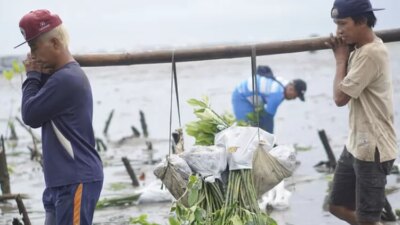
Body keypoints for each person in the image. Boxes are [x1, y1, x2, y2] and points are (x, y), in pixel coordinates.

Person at [16, 9, 104, 225]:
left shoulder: (66, 79)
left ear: (55, 44)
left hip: (76, 178)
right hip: (60, 181)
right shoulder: (60, 77)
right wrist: (41, 75)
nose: (31, 56)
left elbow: (30, 114)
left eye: (34, 48)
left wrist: (32, 76)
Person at [325, 0, 397, 224]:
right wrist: (346, 53)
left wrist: (339, 59)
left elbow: (339, 98)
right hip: (356, 144)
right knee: (336, 206)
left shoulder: (371, 53)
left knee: (368, 219)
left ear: (363, 21)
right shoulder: (360, 49)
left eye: (343, 24)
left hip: (374, 148)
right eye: (336, 24)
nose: (338, 31)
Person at [231, 65, 306, 133]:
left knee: (257, 124)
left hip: (254, 97)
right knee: (245, 128)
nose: (294, 98)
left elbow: (265, 118)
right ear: (291, 89)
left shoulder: (284, 84)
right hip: (241, 96)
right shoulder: (278, 93)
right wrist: (271, 138)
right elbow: (268, 118)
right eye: (295, 96)